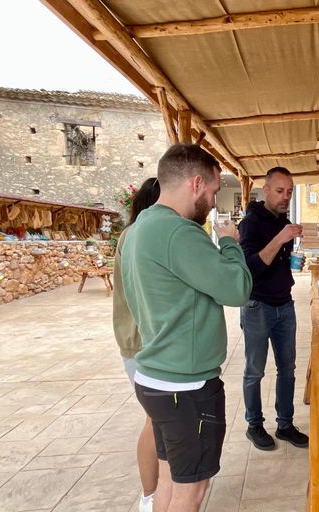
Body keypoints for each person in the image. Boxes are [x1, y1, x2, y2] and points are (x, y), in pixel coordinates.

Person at [122, 143, 252, 512]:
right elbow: (237, 288)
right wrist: (229, 243)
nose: (212, 202)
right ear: (196, 183)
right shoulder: (180, 232)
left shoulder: (139, 228)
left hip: (156, 379)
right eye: (212, 192)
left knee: (168, 480)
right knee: (191, 491)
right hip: (186, 387)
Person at [238, 167, 309, 451]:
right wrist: (280, 238)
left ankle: (285, 425)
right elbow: (249, 268)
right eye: (280, 191)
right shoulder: (250, 224)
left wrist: (292, 263)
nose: (285, 197)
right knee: (254, 370)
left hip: (285, 304)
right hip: (257, 305)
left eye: (289, 191)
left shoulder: (285, 221)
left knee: (287, 369)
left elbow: (279, 260)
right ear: (266, 191)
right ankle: (254, 424)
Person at [112, 177, 160, 512]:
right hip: (143, 344)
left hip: (136, 341)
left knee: (157, 420)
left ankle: (155, 493)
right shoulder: (142, 236)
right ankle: (150, 495)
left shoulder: (132, 234)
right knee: (156, 421)